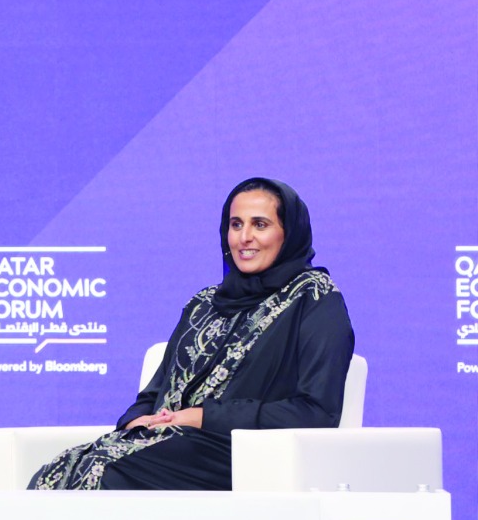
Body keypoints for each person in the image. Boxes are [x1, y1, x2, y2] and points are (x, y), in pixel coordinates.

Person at [30, 177, 354, 490]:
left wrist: (202, 417)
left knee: (103, 473)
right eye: (236, 224)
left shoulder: (314, 298)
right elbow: (153, 393)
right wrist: (137, 420)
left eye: (260, 224)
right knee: (55, 474)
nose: (244, 238)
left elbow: (316, 411)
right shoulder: (203, 303)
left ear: (289, 233)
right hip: (164, 444)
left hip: (237, 451)